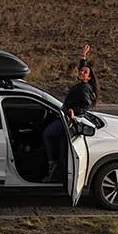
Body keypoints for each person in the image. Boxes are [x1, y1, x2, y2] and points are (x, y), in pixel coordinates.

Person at [43, 43, 100, 183]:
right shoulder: (83, 84)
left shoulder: (84, 89)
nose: (81, 72)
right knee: (63, 147)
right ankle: (60, 170)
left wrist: (74, 111)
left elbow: (86, 105)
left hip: (69, 120)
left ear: (89, 78)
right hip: (67, 118)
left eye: (85, 73)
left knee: (47, 134)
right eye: (81, 71)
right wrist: (83, 56)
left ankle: (52, 164)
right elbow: (82, 67)